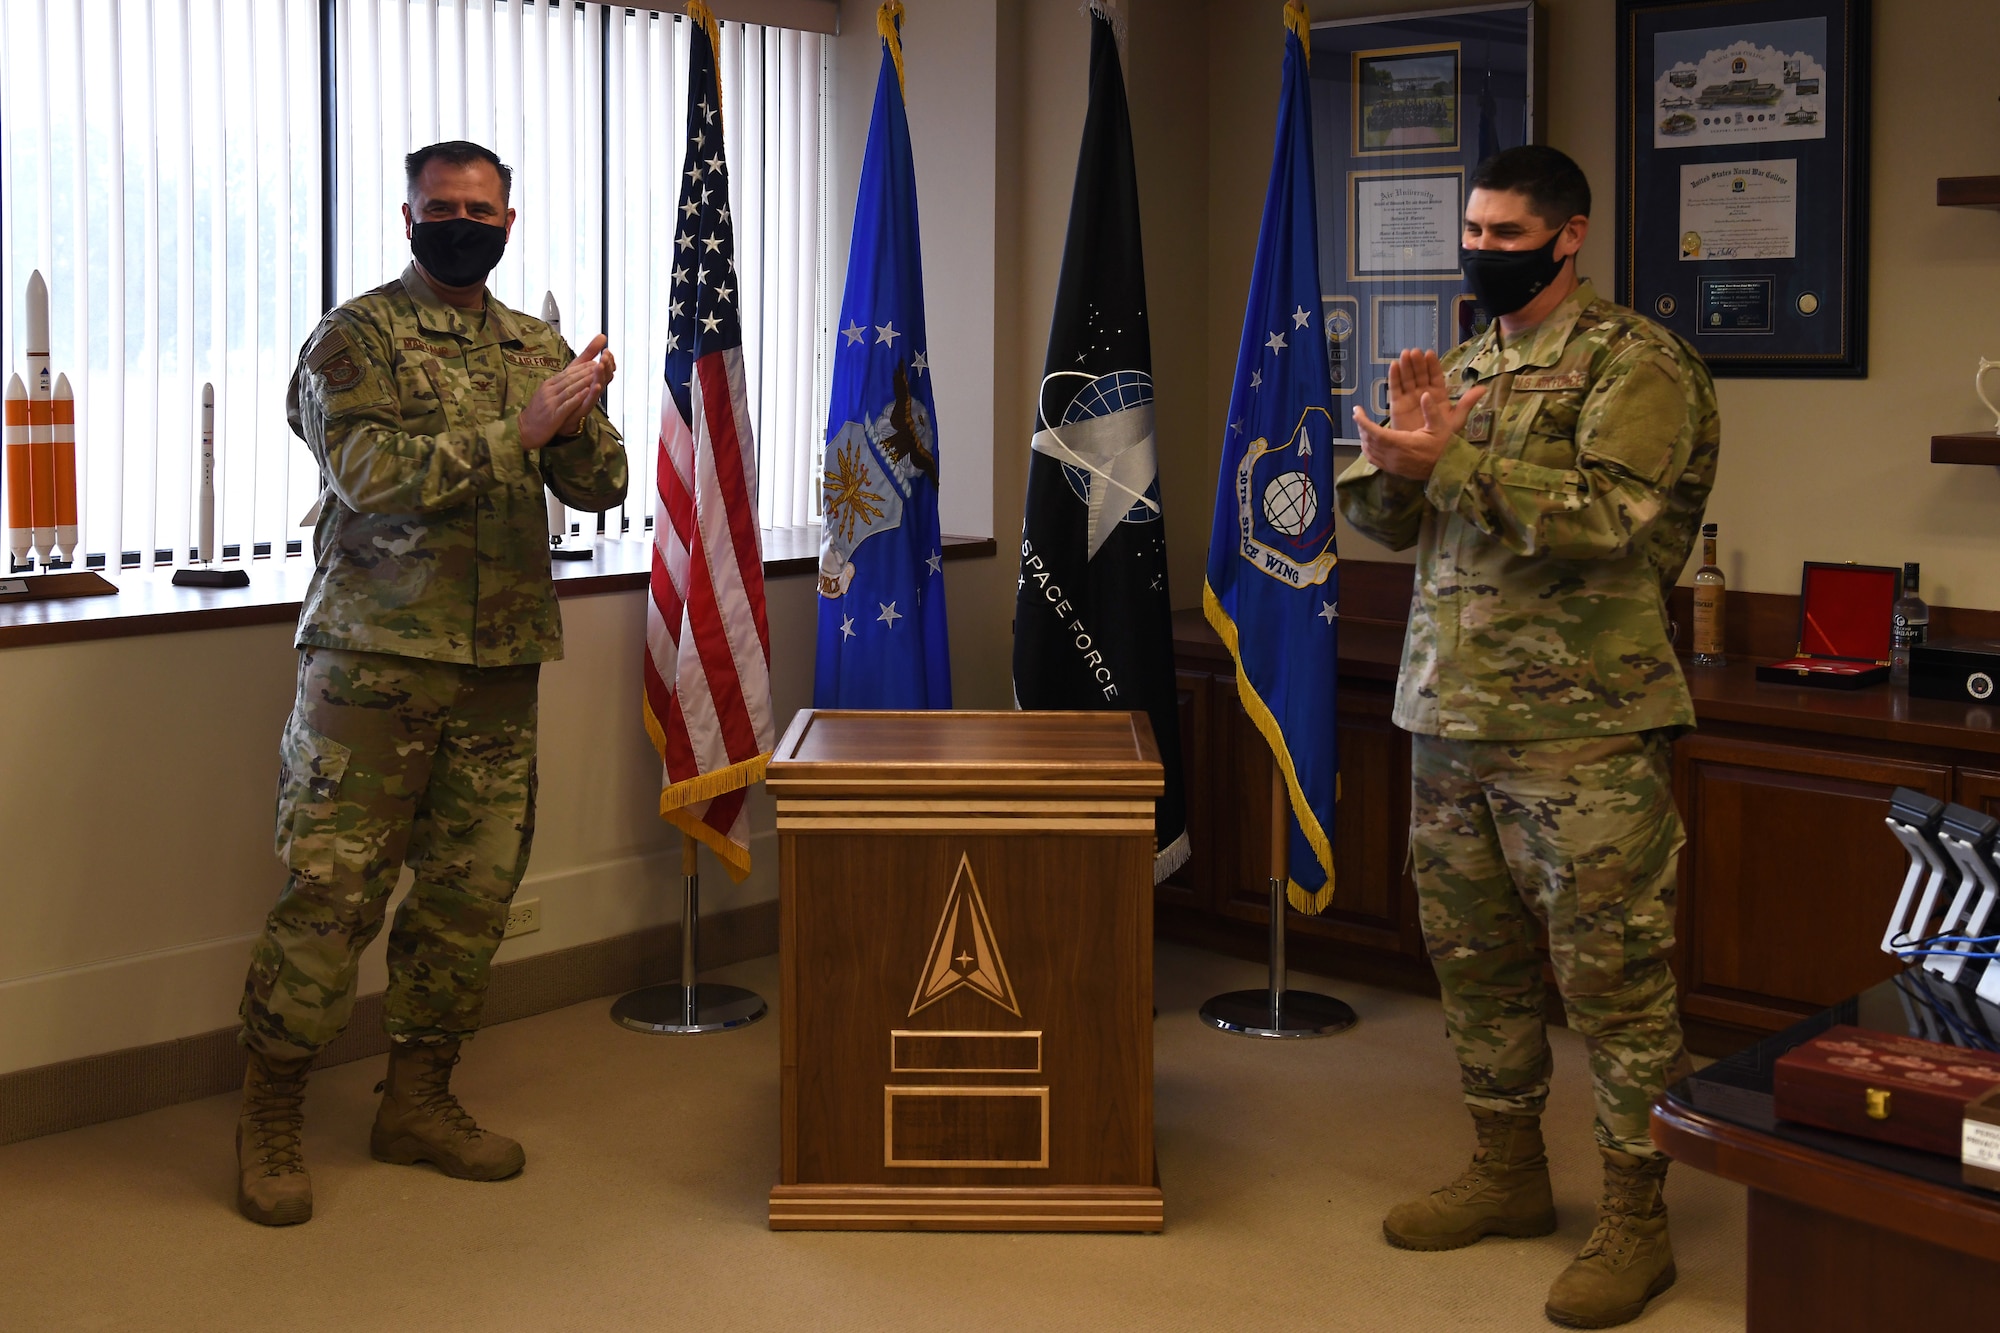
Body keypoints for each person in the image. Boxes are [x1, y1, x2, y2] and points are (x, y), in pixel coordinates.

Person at [1335, 145, 1719, 1329]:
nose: (1480, 251)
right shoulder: (1463, 361)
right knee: (1476, 966)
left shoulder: (1634, 362)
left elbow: (1611, 519)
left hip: (1581, 730)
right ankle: (1507, 1172)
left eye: (1506, 235)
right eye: (1473, 231)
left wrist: (1451, 460)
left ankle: (1633, 1216)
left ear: (1569, 237)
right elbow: (1387, 519)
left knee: (1611, 984)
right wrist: (1401, 461)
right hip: (1449, 716)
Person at [232, 140, 627, 1227]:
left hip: (497, 670)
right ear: (407, 219)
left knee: (467, 902)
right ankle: (268, 1112)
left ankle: (417, 1100)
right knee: (332, 898)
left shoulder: (531, 341)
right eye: (440, 206)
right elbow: (369, 478)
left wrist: (583, 407)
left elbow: (600, 488)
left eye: (481, 208)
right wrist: (522, 430)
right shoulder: (353, 338)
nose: (462, 221)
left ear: (509, 220)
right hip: (371, 667)